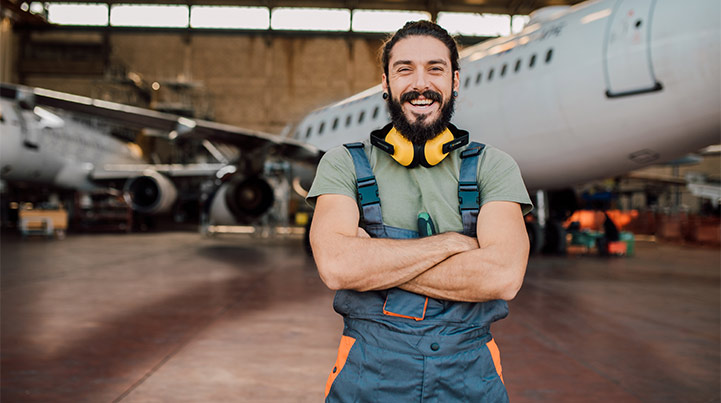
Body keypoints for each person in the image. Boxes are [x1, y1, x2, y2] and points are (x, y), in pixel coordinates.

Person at [307, 20, 533, 402]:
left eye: (435, 68)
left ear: (455, 81)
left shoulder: (494, 166)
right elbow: (337, 267)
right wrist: (452, 244)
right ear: (385, 82)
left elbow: (503, 277)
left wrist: (373, 262)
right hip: (367, 379)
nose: (420, 83)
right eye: (404, 69)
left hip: (470, 382)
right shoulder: (342, 163)